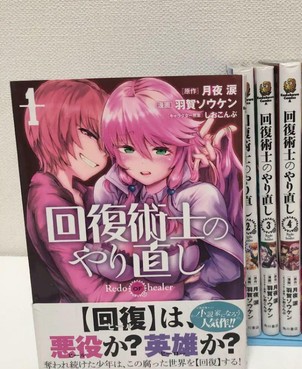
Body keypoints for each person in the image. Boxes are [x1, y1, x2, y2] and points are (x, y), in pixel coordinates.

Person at [25, 79, 184, 302]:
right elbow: (93, 294)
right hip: (84, 315)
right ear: (52, 127)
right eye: (90, 133)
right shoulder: (49, 202)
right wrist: (176, 287)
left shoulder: (83, 192)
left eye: (106, 137)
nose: (103, 150)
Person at [93, 78, 244, 300]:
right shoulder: (110, 189)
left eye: (160, 150)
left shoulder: (197, 196)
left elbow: (229, 267)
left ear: (180, 145)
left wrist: (200, 279)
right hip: (121, 302)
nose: (144, 162)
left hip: (181, 298)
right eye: (128, 149)